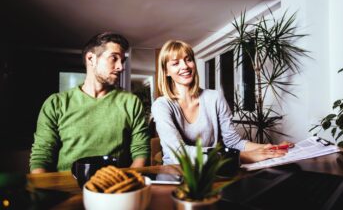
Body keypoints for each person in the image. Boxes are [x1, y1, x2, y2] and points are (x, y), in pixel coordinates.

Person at [151, 40, 292, 165]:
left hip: (213, 170)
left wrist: (271, 148)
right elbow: (179, 154)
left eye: (188, 60)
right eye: (176, 63)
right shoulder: (161, 105)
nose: (185, 66)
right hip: (176, 174)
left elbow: (233, 142)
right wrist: (242, 157)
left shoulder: (215, 97)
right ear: (166, 71)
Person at [30, 32, 150, 173]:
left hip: (115, 187)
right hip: (67, 188)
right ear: (91, 58)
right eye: (114, 58)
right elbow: (41, 156)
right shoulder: (56, 103)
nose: (120, 67)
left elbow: (141, 151)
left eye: (122, 61)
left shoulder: (131, 102)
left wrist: (126, 186)